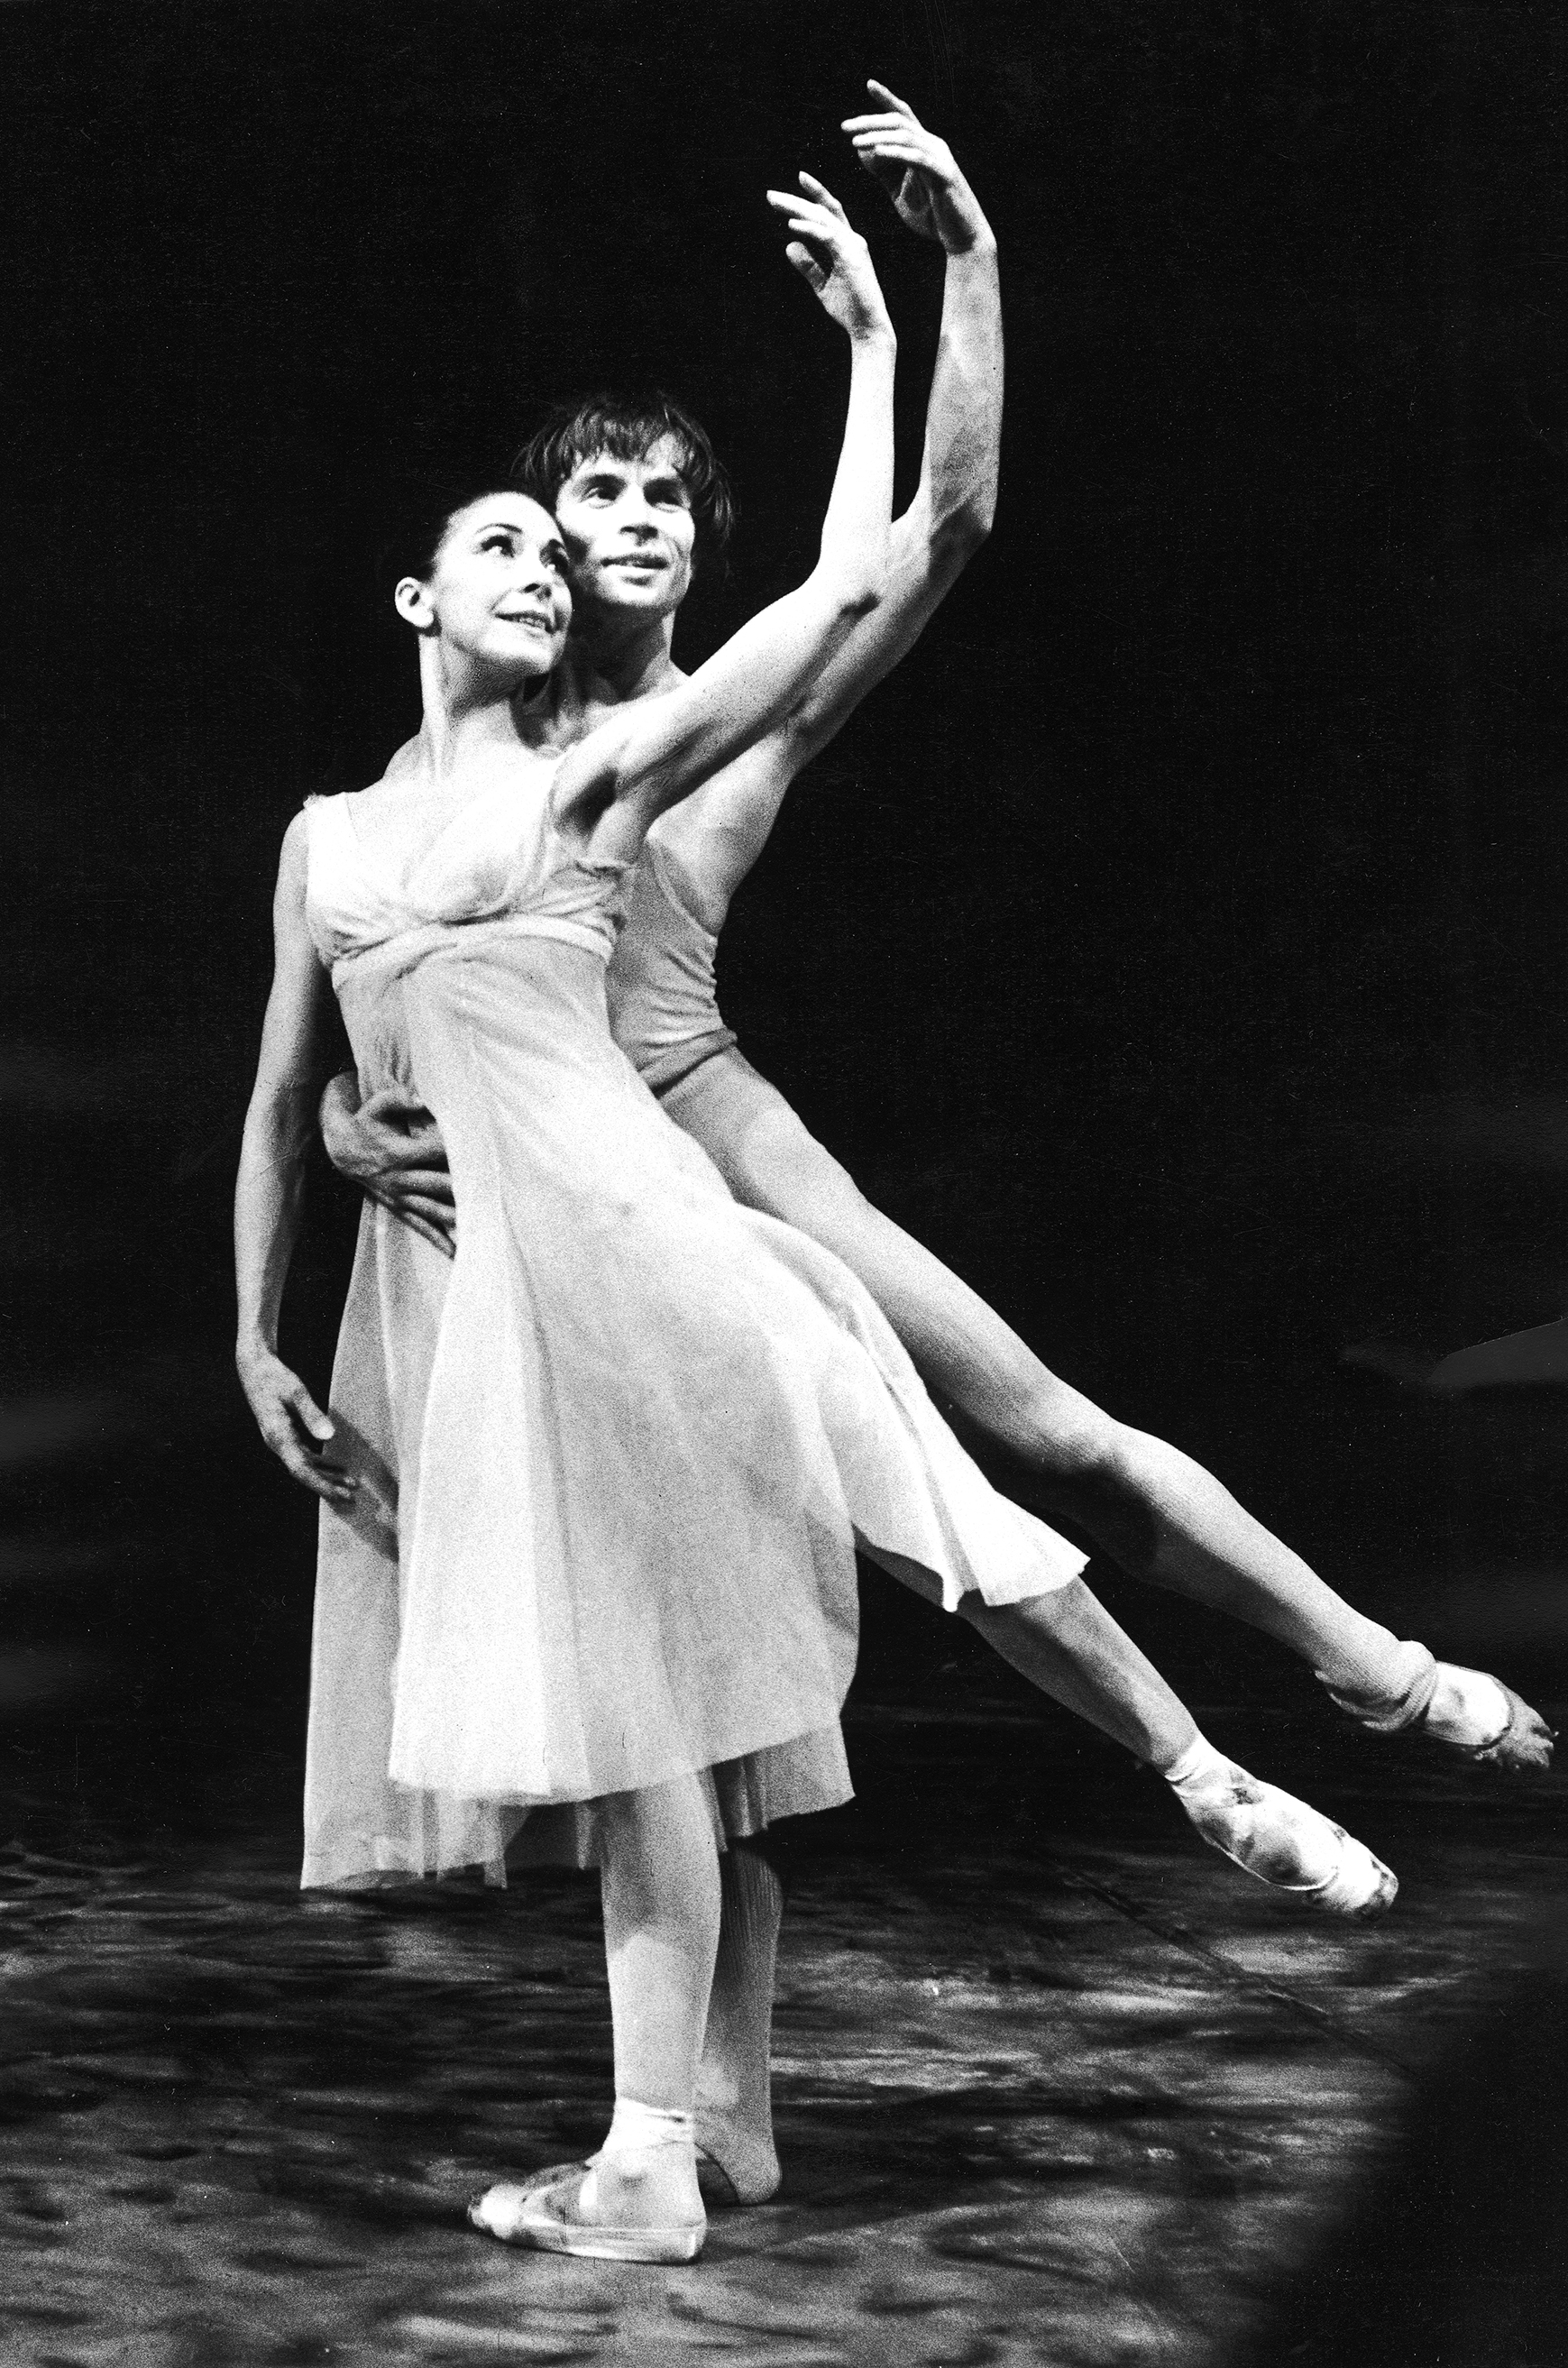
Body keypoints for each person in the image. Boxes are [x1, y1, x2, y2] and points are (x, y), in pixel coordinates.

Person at [326, 87, 1550, 1796]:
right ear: (526, 540)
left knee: (1039, 1429)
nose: (643, 515)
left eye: (674, 497)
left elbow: (940, 528)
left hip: (703, 1122)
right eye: (601, 490)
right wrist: (345, 1112)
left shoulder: (732, 727)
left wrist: (956, 269)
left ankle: (1381, 1671)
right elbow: (359, 951)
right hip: (534, 1182)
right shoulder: (446, 754)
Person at [238, 173, 1224, 2268]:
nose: (565, 547)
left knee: (938, 1501)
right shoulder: (351, 825)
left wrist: (907, 325)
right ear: (421, 593)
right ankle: (709, 2124)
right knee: (692, 1694)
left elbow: (867, 585)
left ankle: (1248, 1735)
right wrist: (289, 1243)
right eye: (520, 524)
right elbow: (297, 1071)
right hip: (485, 1271)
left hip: (662, 1190)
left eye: (586, 529)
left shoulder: (626, 768)